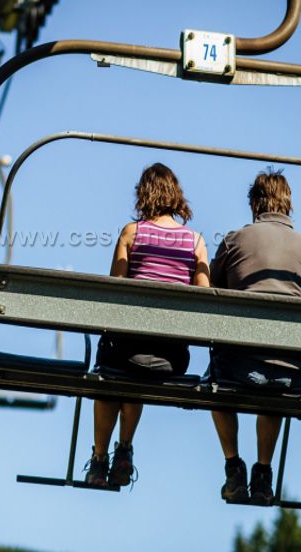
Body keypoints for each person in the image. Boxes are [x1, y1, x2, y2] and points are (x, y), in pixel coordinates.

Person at [85, 162, 210, 488]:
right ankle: (124, 449)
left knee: (118, 359)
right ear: (176, 196)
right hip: (171, 361)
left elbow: (115, 291)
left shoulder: (131, 233)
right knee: (137, 358)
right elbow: (206, 301)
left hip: (127, 353)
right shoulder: (195, 242)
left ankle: (100, 460)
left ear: (144, 194)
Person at [209, 168, 301, 504]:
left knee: (216, 382)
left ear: (255, 204)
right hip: (290, 374)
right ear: (287, 204)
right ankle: (264, 473)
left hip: (239, 367)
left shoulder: (235, 240)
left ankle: (233, 468)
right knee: (279, 369)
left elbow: (208, 296)